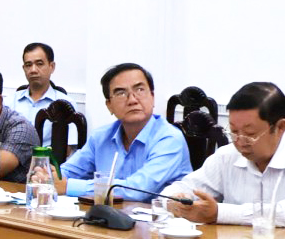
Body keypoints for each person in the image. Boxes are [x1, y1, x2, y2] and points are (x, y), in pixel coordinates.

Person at [162, 82, 285, 230]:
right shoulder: (227, 155)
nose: (240, 141)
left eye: (250, 134)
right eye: (234, 131)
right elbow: (180, 189)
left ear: (280, 127)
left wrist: (219, 213)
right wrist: (176, 201)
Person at [57, 63, 192, 201]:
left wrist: (68, 186)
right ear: (109, 105)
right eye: (121, 93)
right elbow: (67, 172)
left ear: (152, 97)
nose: (132, 100)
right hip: (111, 213)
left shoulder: (169, 139)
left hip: (159, 214)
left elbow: (138, 190)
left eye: (139, 90)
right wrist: (49, 176)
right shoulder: (100, 137)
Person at [11, 43, 69, 147]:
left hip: (48, 157)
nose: (33, 70)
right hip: (13, 156)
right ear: (24, 68)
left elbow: (69, 148)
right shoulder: (10, 102)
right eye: (28, 65)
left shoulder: (65, 104)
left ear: (52, 66)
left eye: (39, 64)